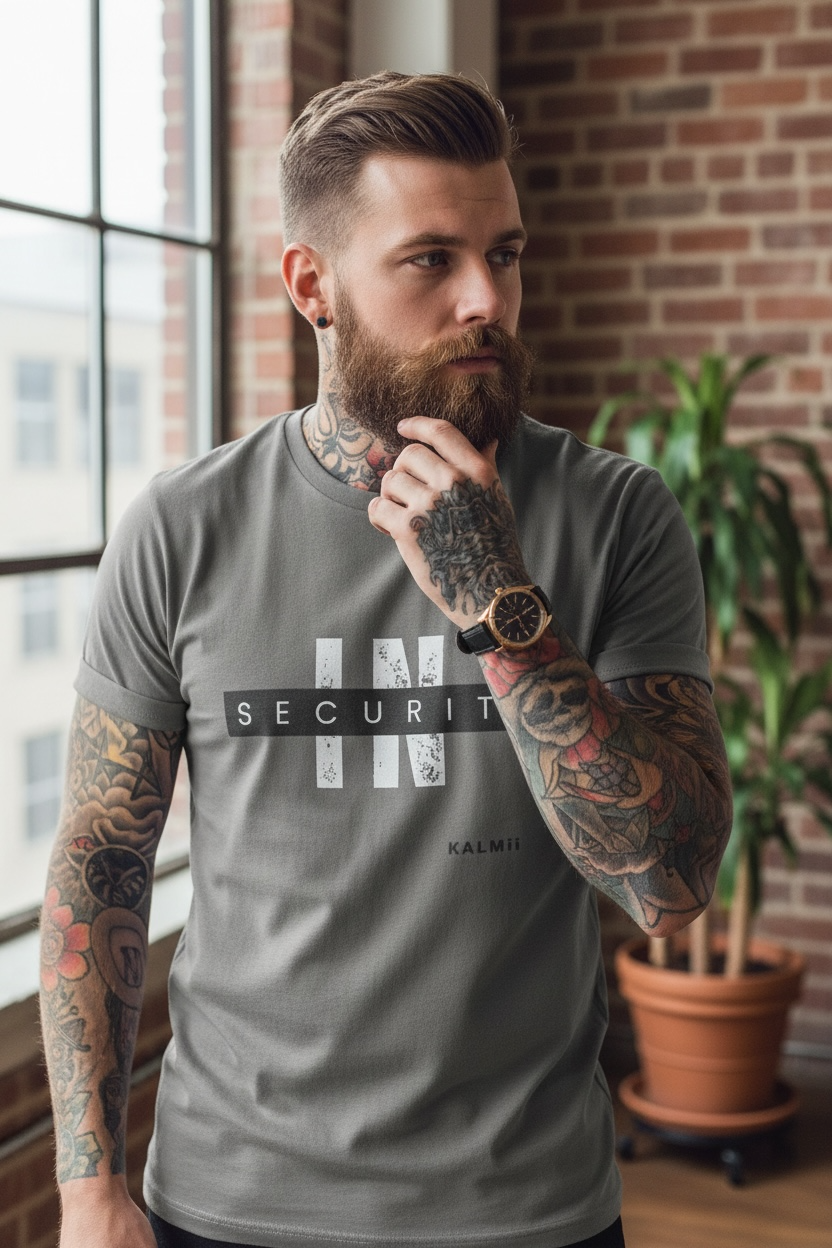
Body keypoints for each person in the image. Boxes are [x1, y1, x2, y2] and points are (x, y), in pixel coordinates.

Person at [41, 72, 732, 1248]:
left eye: (504, 255)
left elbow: (666, 886)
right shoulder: (183, 527)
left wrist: (499, 605)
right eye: (431, 260)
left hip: (524, 1213)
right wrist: (90, 1191)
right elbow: (101, 864)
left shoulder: (619, 516)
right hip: (227, 1202)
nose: (487, 299)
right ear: (311, 284)